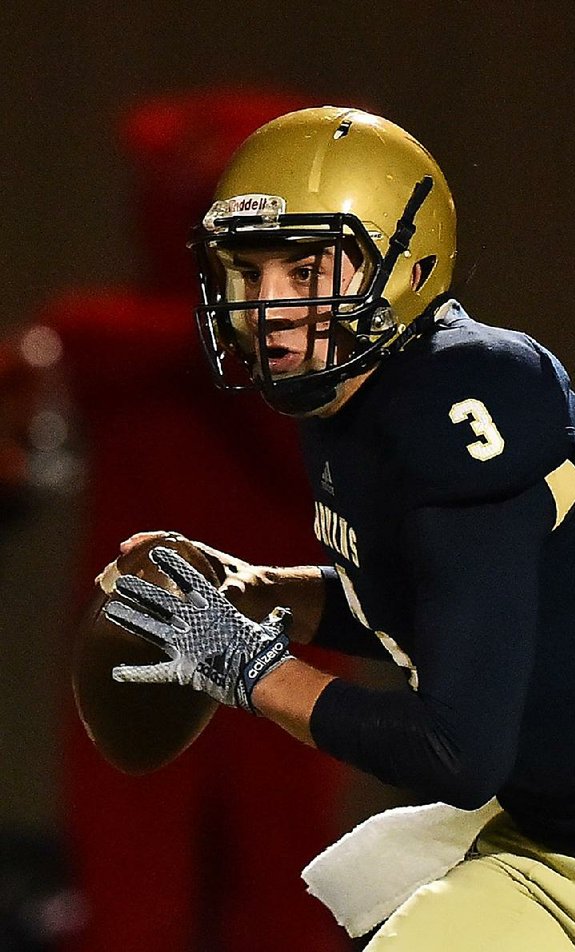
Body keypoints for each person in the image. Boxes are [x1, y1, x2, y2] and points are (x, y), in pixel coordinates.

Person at [104, 107, 575, 950]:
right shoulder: (351, 394)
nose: (269, 306)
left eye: (303, 269)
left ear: (409, 266)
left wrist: (251, 669)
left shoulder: (463, 395)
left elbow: (457, 752)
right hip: (554, 863)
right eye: (249, 272)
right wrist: (278, 594)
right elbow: (454, 605)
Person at [42, 91, 350, 952]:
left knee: (281, 894)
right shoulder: (110, 339)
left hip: (275, 626)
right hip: (145, 631)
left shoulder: (283, 354)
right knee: (140, 899)